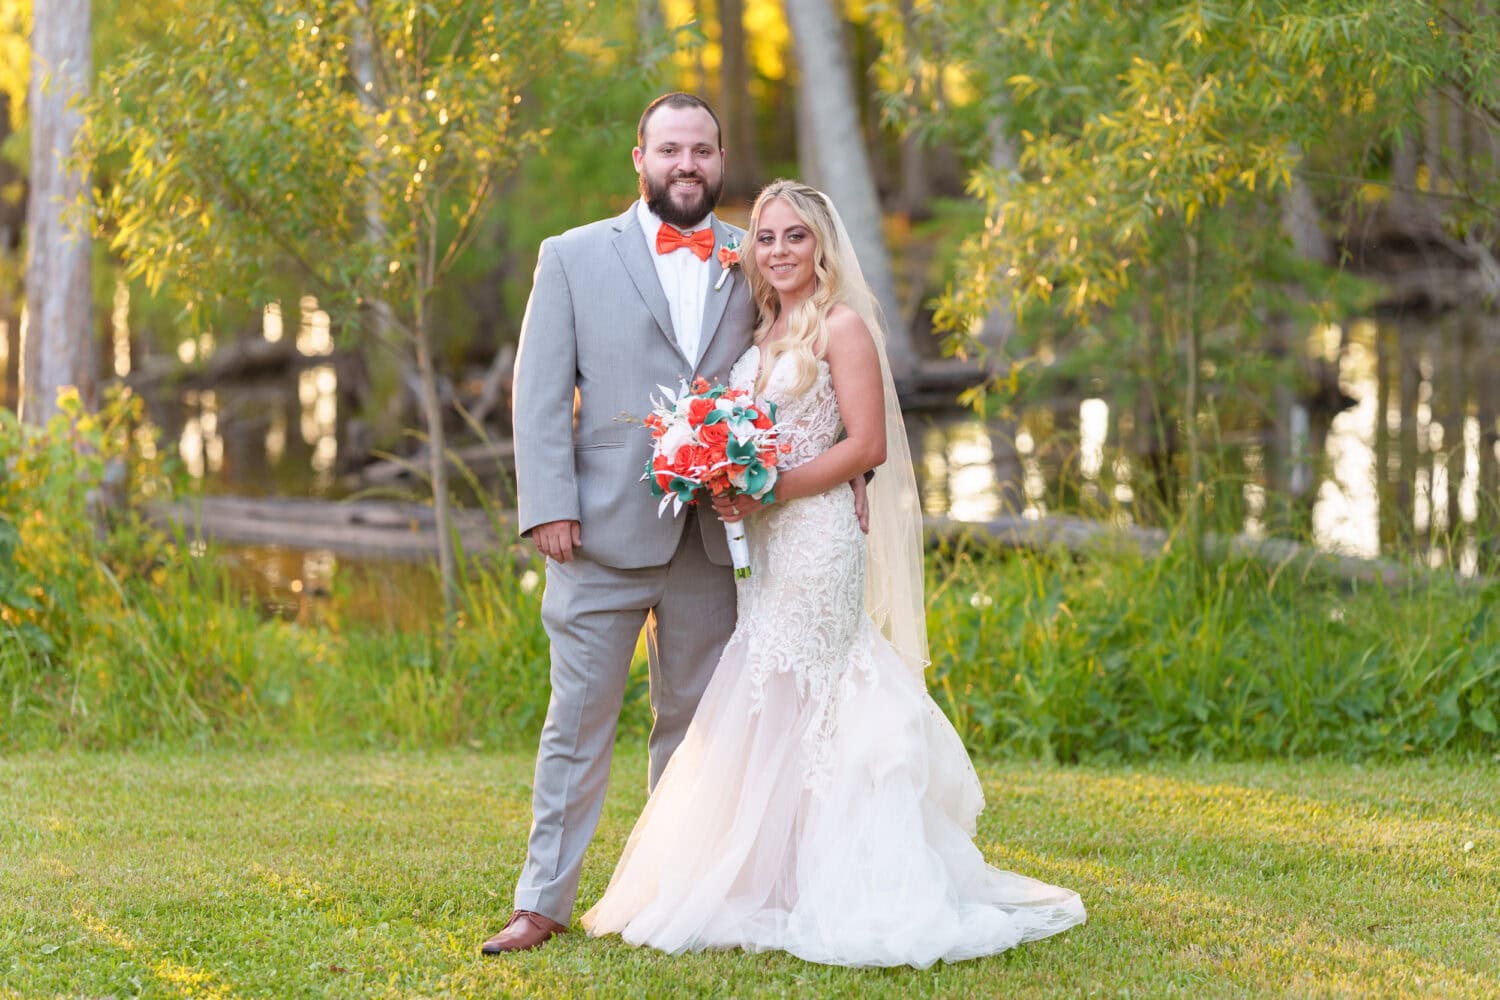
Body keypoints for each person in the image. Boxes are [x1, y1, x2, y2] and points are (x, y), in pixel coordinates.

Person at [581, 180, 1087, 968]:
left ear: (822, 247)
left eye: (795, 237)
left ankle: (852, 877)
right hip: (766, 542)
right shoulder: (760, 325)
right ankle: (774, 877)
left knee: (820, 684)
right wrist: (717, 471)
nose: (779, 250)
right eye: (768, 237)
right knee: (768, 686)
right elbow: (753, 429)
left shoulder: (842, 327)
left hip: (816, 537)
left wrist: (768, 488)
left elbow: (866, 448)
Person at [481, 93, 756, 954]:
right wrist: (548, 505)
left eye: (702, 150)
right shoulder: (570, 257)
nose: (688, 164)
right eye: (670, 148)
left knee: (698, 725)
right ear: (638, 157)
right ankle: (542, 902)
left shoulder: (759, 258)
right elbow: (538, 392)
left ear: (719, 159)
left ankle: (676, 897)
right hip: (595, 529)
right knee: (578, 721)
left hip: (711, 535)